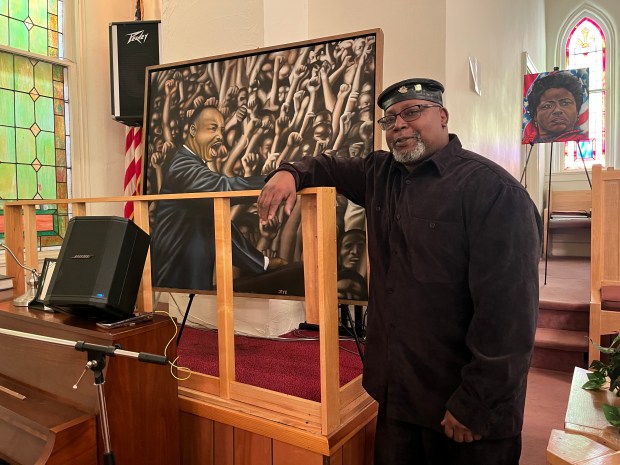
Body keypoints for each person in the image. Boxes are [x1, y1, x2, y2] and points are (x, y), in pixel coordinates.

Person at [257, 78, 542, 465]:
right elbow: (328, 166)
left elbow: (509, 315)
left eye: (412, 112)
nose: (399, 124)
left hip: (462, 410)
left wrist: (476, 402)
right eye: (389, 118)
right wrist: (290, 172)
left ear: (442, 116)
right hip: (399, 400)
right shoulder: (381, 174)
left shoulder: (493, 192)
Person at [150, 105, 284, 291]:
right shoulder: (183, 166)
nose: (220, 136)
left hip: (188, 285)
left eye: (221, 130)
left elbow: (218, 227)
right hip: (174, 283)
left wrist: (262, 263)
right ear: (193, 131)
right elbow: (224, 187)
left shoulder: (193, 168)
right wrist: (278, 182)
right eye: (212, 128)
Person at [525, 70, 587, 144]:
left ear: (577, 111)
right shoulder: (528, 140)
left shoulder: (581, 139)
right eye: (547, 106)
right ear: (535, 115)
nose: (557, 110)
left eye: (565, 103)